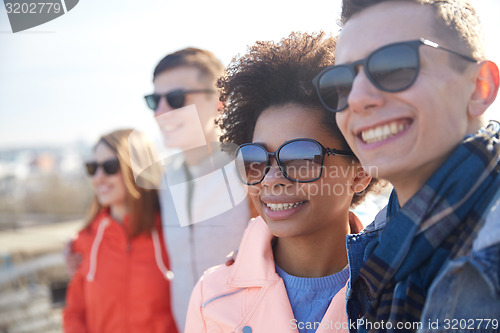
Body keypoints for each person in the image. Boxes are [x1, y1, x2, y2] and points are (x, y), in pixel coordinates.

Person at [313, 0, 500, 331]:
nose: (357, 98)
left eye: (393, 66)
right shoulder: (378, 245)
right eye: (342, 83)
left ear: (479, 87)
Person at [185, 32, 384, 333]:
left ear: (360, 171)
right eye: (255, 158)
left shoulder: (402, 291)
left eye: (301, 157)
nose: (272, 178)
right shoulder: (211, 298)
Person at [144, 48, 256, 328]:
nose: (160, 112)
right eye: (154, 100)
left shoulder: (250, 170)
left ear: (219, 101)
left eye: (176, 99)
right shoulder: (166, 180)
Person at [63, 129, 178, 332]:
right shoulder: (86, 239)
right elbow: (75, 313)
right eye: (92, 168)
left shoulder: (172, 232)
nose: (98, 177)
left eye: (110, 166)